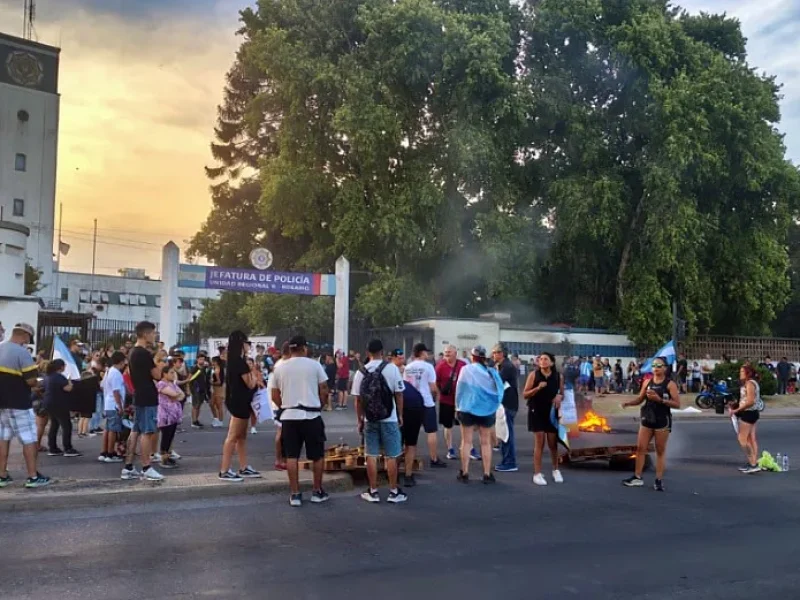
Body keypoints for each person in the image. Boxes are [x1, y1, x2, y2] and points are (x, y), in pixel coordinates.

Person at [271, 335, 330, 506]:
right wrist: (320, 404)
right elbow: (324, 388)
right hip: (312, 416)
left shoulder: (280, 368)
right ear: (304, 348)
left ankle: (295, 494)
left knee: (291, 456)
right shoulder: (314, 365)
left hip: (289, 417)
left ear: (290, 349)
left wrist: (286, 406)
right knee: (317, 456)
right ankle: (317, 491)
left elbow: (274, 395)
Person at [352, 339, 407, 503]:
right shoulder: (392, 369)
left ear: (367, 353)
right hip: (389, 418)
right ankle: (393, 491)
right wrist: (400, 415)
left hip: (370, 418)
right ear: (382, 352)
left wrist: (360, 419)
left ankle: (373, 491)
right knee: (392, 455)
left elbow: (357, 400)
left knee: (371, 454)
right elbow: (399, 394)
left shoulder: (360, 372)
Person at [0, 323, 50, 488]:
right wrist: (36, 383)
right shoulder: (22, 353)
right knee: (29, 439)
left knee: (3, 439)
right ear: (25, 336)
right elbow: (30, 380)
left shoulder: (0, 348)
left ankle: (2, 475)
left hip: (2, 404)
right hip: (19, 403)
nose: (28, 342)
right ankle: (33, 477)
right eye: (28, 339)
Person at [621, 356, 681, 491]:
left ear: (665, 368)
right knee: (640, 448)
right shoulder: (647, 382)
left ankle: (658, 480)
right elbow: (640, 398)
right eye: (653, 365)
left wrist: (660, 400)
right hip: (647, 419)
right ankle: (637, 477)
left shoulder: (670, 384)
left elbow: (677, 404)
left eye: (659, 365)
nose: (656, 368)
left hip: (662, 420)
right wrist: (629, 403)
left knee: (660, 451)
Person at [455, 346, 503, 484]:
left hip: (467, 408)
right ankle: (487, 474)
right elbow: (498, 390)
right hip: (486, 409)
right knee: (485, 441)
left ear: (472, 356)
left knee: (466, 441)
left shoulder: (466, 369)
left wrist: (458, 406)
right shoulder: (491, 371)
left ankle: (464, 472)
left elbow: (460, 389)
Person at [123, 321, 164, 481]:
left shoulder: (132, 352)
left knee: (135, 431)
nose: (155, 336)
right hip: (147, 396)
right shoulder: (144, 353)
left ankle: (128, 466)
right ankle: (146, 467)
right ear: (146, 334)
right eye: (153, 333)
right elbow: (157, 375)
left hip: (139, 395)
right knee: (147, 432)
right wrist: (159, 360)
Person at [218, 331, 261, 482]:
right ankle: (224, 470)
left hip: (239, 401)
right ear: (241, 344)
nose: (248, 346)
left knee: (242, 436)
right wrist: (255, 375)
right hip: (239, 402)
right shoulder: (239, 362)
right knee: (233, 437)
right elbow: (250, 383)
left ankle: (243, 467)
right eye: (246, 342)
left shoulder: (234, 360)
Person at [524, 352, 565, 486]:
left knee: (553, 443)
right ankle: (537, 473)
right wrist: (537, 388)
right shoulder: (534, 375)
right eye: (540, 359)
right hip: (536, 410)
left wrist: (560, 397)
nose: (542, 361)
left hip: (551, 412)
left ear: (552, 362)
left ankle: (556, 469)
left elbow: (561, 394)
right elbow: (525, 394)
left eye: (545, 359)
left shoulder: (558, 376)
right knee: (539, 442)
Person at [403, 343, 445, 469]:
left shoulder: (408, 367)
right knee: (431, 431)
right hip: (426, 402)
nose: (428, 354)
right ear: (421, 353)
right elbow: (433, 386)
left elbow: (406, 385)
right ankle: (434, 458)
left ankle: (407, 461)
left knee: (410, 435)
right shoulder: (428, 367)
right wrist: (437, 395)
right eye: (426, 352)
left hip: (411, 403)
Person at [43, 359, 80, 457]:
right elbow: (67, 388)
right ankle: (68, 448)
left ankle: (52, 447)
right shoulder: (59, 377)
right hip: (59, 404)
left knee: (54, 425)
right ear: (61, 367)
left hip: (49, 403)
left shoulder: (48, 376)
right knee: (66, 425)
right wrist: (70, 383)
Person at [435, 344, 466, 460]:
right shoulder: (440, 366)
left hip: (461, 401)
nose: (447, 354)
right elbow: (435, 382)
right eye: (445, 352)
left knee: (465, 425)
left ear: (455, 353)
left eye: (449, 352)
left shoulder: (463, 365)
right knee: (448, 425)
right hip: (446, 401)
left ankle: (468, 447)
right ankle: (450, 448)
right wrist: (439, 395)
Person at [731, 364, 763, 474]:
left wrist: (737, 410)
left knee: (742, 439)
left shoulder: (749, 383)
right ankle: (753, 463)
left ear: (747, 373)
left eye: (742, 372)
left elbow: (750, 401)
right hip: (753, 413)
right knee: (751, 439)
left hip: (748, 413)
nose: (740, 374)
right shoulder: (752, 383)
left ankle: (753, 463)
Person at [493, 344, 519, 473]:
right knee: (503, 433)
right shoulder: (503, 366)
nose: (493, 355)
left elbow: (496, 382)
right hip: (505, 404)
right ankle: (506, 460)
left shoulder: (507, 367)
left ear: (501, 353)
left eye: (495, 352)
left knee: (507, 434)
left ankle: (510, 462)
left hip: (508, 404)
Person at [266, 342, 291, 471]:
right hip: (279, 404)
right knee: (281, 433)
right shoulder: (281, 365)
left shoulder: (281, 364)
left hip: (280, 403)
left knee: (284, 432)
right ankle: (279, 459)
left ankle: (283, 459)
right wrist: (282, 405)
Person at [100, 351, 126, 463]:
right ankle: (110, 453)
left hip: (108, 403)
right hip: (114, 404)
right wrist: (120, 406)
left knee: (108, 428)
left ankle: (105, 451)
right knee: (113, 430)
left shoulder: (109, 371)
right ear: (121, 361)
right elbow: (116, 391)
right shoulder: (116, 373)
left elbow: (103, 386)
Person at [156, 367, 184, 470]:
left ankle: (168, 455)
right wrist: (175, 396)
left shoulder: (172, 384)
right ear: (164, 374)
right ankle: (164, 458)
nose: (173, 375)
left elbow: (182, 395)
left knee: (171, 436)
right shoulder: (161, 384)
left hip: (174, 415)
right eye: (171, 373)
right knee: (166, 436)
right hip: (165, 415)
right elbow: (174, 394)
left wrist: (175, 396)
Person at [189, 353, 211, 429]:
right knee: (195, 405)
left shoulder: (204, 368)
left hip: (202, 389)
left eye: (203, 359)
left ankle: (196, 420)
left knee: (199, 406)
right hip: (195, 390)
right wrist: (190, 389)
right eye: (200, 359)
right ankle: (193, 421)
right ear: (197, 359)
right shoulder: (194, 368)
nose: (202, 361)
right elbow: (190, 378)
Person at [210, 356, 225, 427]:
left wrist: (211, 382)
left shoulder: (218, 370)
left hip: (219, 389)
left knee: (219, 405)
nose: (211, 362)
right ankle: (216, 418)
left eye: (212, 361)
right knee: (211, 403)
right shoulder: (214, 369)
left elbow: (219, 382)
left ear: (215, 362)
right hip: (214, 389)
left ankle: (220, 421)